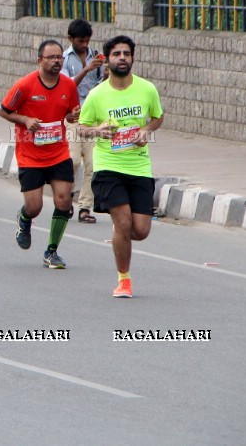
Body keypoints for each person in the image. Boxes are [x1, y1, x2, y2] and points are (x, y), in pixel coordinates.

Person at [77, 35, 163, 298]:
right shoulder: (97, 94)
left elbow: (157, 117)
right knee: (124, 222)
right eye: (117, 54)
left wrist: (146, 130)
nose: (122, 57)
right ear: (108, 60)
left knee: (141, 230)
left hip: (138, 166)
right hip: (108, 166)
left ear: (133, 58)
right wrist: (98, 130)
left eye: (127, 53)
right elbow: (81, 128)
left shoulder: (147, 89)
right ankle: (123, 279)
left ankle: (119, 234)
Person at [0, 40, 81, 269]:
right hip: (30, 154)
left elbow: (70, 113)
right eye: (51, 57)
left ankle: (52, 251)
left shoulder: (68, 85)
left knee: (64, 200)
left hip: (58, 151)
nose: (56, 61)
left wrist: (73, 116)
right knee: (35, 207)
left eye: (59, 57)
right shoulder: (25, 85)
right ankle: (24, 219)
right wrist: (25, 119)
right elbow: (4, 111)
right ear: (40, 60)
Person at [63, 19, 105, 224]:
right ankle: (67, 195)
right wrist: (87, 69)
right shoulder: (63, 59)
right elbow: (67, 87)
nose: (84, 45)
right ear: (70, 39)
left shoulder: (95, 56)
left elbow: (100, 86)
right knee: (73, 160)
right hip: (72, 115)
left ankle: (85, 207)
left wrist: (104, 74)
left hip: (92, 117)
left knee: (92, 163)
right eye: (81, 41)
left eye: (87, 41)